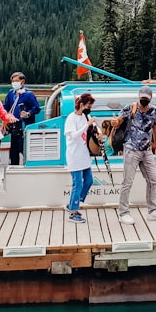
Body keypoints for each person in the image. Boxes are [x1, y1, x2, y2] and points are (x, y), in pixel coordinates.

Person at [111, 85, 156, 224]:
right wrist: (115, 122)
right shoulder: (130, 108)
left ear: (150, 99)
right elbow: (119, 120)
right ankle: (123, 213)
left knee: (152, 180)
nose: (144, 100)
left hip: (147, 150)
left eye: (146, 99)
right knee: (127, 182)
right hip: (131, 149)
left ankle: (153, 211)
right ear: (139, 96)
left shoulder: (154, 111)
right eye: (142, 98)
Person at [64, 93, 97, 224]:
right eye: (89, 105)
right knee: (77, 184)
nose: (90, 108)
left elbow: (87, 132)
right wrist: (87, 125)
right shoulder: (71, 118)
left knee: (88, 181)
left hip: (83, 155)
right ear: (82, 105)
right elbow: (74, 136)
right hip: (74, 156)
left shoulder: (84, 116)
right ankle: (73, 212)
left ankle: (73, 203)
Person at [2, 71, 40, 165]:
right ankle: (13, 168)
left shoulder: (29, 94)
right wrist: (4, 118)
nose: (14, 83)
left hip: (24, 125)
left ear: (22, 82)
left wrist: (28, 113)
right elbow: (5, 107)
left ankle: (29, 167)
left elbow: (36, 108)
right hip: (13, 125)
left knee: (23, 148)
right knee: (13, 150)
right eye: (12, 81)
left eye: (16, 81)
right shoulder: (11, 93)